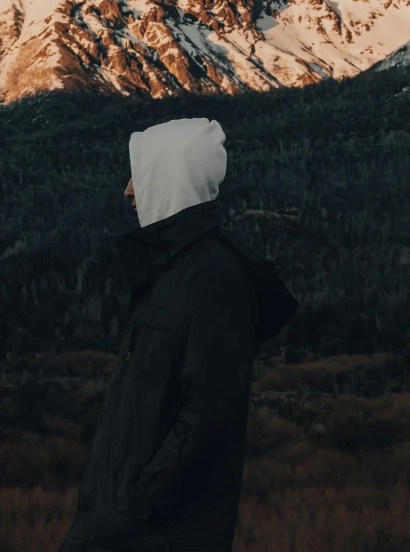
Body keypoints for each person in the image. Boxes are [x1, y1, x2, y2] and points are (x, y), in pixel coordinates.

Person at [59, 117, 299, 552]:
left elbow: (210, 416)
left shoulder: (211, 278)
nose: (128, 191)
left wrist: (138, 500)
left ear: (171, 179)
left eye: (140, 173)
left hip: (156, 532)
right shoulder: (175, 271)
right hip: (125, 525)